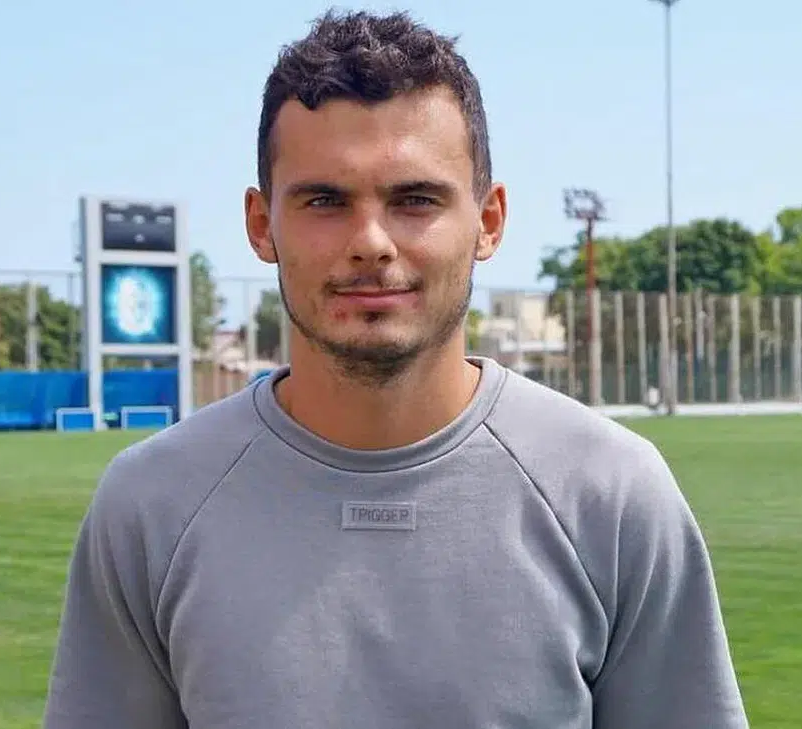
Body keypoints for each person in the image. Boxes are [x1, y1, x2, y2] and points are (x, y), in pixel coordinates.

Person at [42, 9, 749, 729]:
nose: (371, 242)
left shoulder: (612, 493)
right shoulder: (150, 504)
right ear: (261, 225)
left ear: (489, 221)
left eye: (415, 199)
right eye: (325, 201)